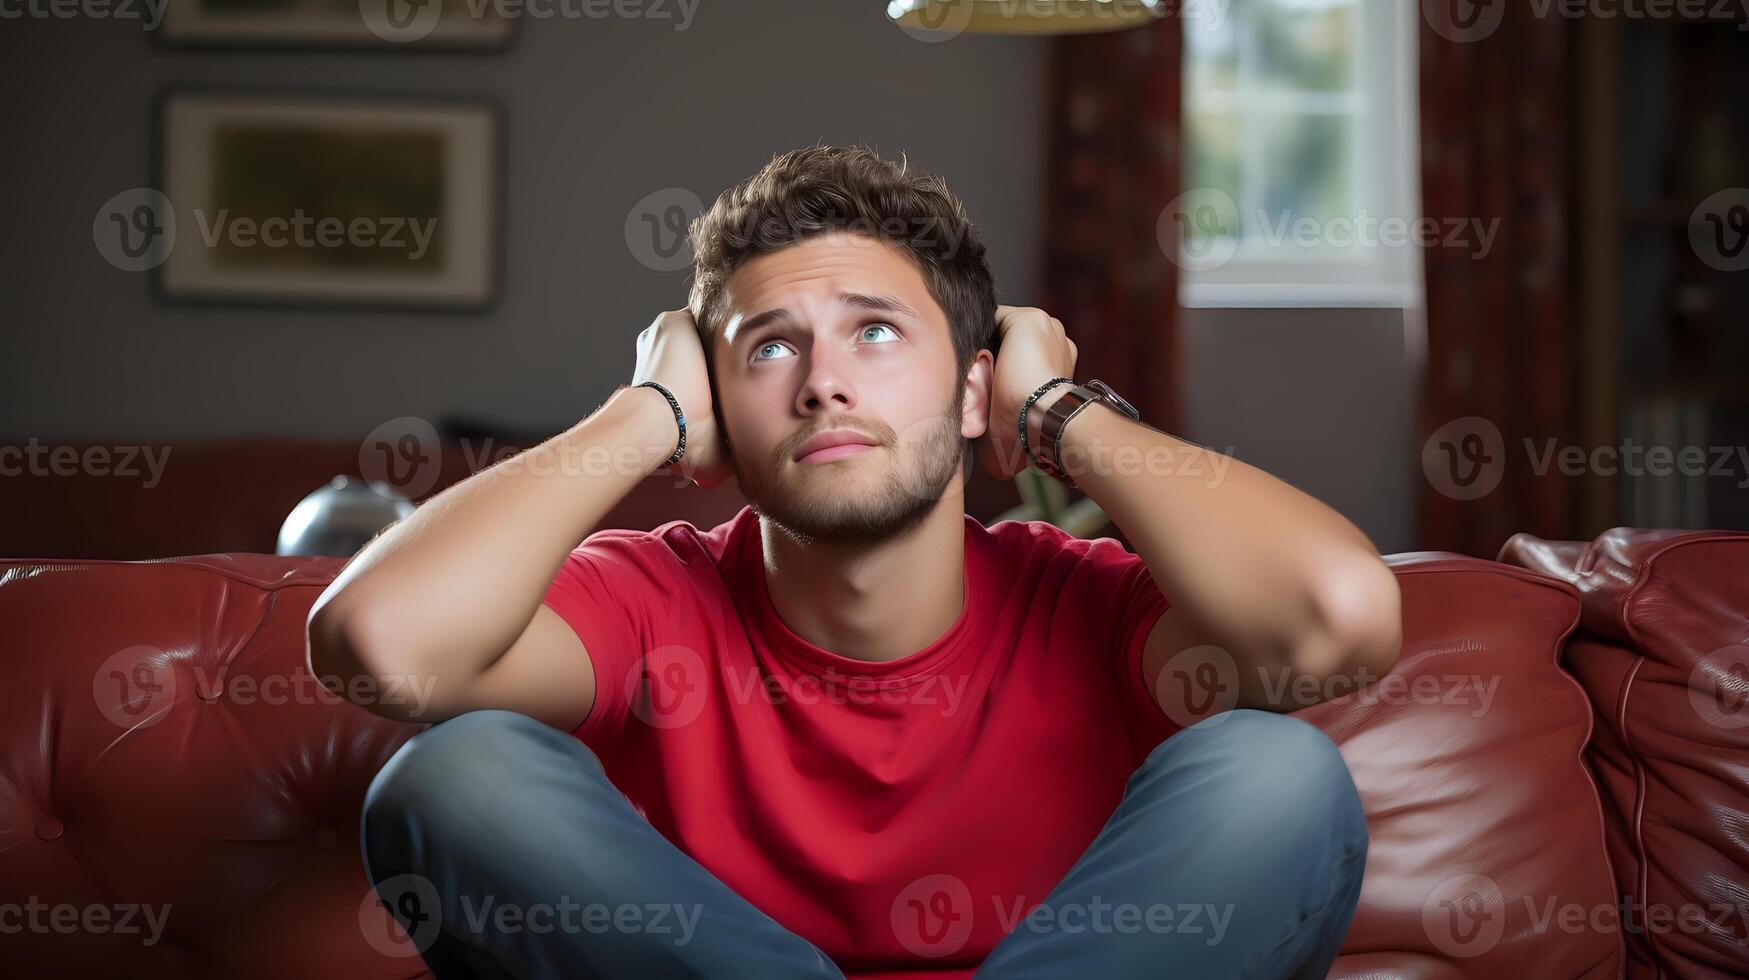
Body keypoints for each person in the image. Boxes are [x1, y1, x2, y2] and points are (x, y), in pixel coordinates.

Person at [308, 144, 1401, 979]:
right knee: (452, 775)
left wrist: (1060, 411)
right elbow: (381, 644)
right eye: (769, 346)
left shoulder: (1084, 605)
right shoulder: (653, 596)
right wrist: (642, 413)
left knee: (1279, 775)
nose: (823, 382)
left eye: (875, 331)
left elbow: (1340, 615)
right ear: (717, 416)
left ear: (975, 393)